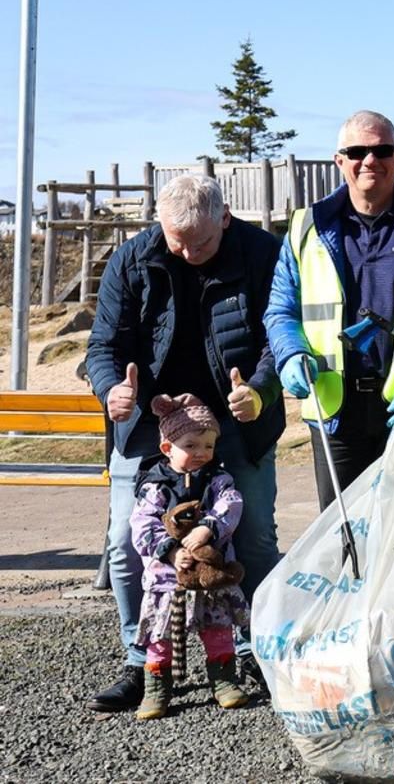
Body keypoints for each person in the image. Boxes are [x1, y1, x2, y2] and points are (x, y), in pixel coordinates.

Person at [86, 174, 283, 712]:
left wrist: (261, 392)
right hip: (149, 421)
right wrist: (114, 389)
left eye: (202, 242)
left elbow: (279, 337)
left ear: (225, 217)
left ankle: (251, 650)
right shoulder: (131, 259)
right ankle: (140, 658)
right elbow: (103, 343)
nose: (190, 252)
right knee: (126, 544)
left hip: (236, 415)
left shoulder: (263, 252)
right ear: (159, 223)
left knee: (257, 536)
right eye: (177, 241)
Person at [264, 111, 394, 515]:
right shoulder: (305, 227)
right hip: (335, 409)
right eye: (357, 151)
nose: (370, 160)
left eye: (381, 150)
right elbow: (281, 308)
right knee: (342, 538)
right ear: (339, 160)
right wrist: (290, 353)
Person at [129, 393, 251, 719]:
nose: (202, 453)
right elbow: (142, 524)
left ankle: (224, 680)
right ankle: (157, 688)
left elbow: (232, 503)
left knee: (218, 627)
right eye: (192, 445)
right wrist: (170, 553)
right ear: (168, 448)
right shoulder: (155, 486)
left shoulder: (217, 480)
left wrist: (209, 527)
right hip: (166, 580)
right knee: (161, 632)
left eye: (208, 445)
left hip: (211, 573)